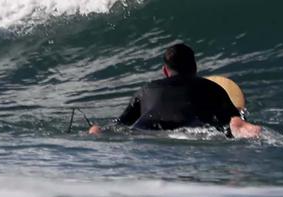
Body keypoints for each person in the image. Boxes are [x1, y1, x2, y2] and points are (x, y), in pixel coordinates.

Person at [88, 43, 262, 138]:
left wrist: (99, 128)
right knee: (235, 122)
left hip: (147, 129)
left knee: (110, 129)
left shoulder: (145, 91)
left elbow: (120, 124)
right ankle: (247, 128)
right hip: (193, 127)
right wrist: (239, 115)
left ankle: (96, 132)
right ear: (195, 67)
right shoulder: (211, 88)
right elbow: (229, 120)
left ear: (165, 71)